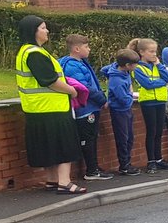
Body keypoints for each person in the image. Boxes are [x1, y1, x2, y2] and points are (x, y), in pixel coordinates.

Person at [15, 16, 83, 193]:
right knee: (63, 145)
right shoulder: (35, 53)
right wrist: (72, 91)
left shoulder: (25, 51)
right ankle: (64, 182)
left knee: (48, 146)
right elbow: (49, 80)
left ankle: (52, 180)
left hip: (36, 108)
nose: (47, 31)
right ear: (34, 31)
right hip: (53, 108)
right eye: (43, 28)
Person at [60, 34, 112, 180]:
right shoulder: (72, 66)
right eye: (86, 46)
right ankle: (91, 170)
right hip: (85, 108)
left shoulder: (80, 63)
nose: (89, 49)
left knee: (93, 137)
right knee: (88, 139)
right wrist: (102, 99)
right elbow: (85, 87)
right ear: (77, 49)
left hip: (90, 107)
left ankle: (94, 166)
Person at [128, 38, 168, 173]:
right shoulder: (138, 68)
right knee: (151, 131)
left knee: (159, 131)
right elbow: (147, 84)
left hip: (160, 100)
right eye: (151, 52)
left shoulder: (156, 66)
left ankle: (159, 159)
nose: (154, 54)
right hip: (148, 102)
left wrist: (159, 65)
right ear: (142, 52)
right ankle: (151, 161)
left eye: (155, 51)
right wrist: (162, 82)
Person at [102, 49, 141, 176]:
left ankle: (127, 163)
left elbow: (105, 69)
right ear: (128, 65)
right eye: (135, 64)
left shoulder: (123, 71)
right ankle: (124, 165)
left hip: (126, 111)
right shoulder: (117, 80)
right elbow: (123, 99)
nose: (137, 66)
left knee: (130, 137)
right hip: (119, 111)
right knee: (123, 138)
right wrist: (131, 95)